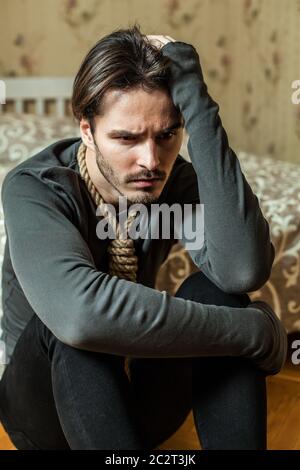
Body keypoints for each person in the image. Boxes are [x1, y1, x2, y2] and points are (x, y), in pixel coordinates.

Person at [0, 24, 287, 450]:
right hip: (45, 416)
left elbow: (241, 268)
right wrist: (251, 333)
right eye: (126, 138)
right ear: (86, 130)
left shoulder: (169, 180)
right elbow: (80, 315)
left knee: (219, 293)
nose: (150, 161)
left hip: (137, 408)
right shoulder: (35, 187)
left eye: (167, 135)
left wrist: (195, 99)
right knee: (68, 325)